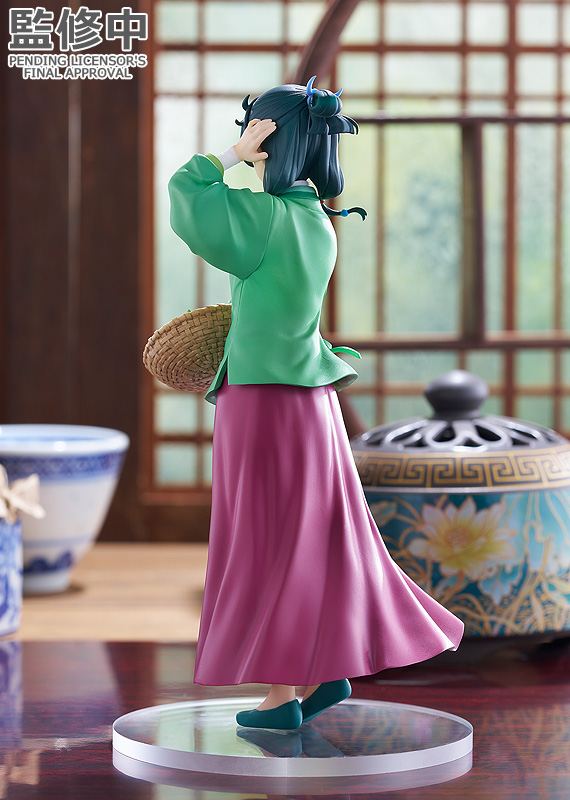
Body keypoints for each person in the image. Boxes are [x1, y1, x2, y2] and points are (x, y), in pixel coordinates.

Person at [168, 79, 464, 731]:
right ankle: (324, 668)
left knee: (269, 540)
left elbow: (187, 195)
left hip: (263, 400)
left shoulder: (266, 217)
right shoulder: (316, 219)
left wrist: (229, 155)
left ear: (269, 139)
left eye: (254, 130)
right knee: (309, 536)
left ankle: (282, 697)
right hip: (310, 400)